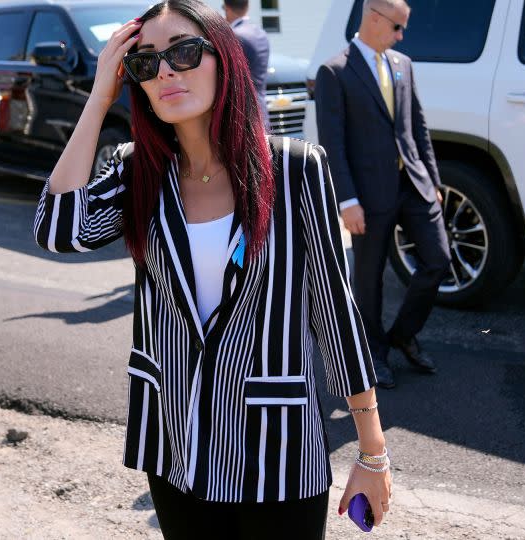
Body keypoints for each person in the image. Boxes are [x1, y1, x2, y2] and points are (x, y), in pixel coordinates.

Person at [32, 1, 391, 538]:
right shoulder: (139, 172)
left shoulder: (294, 169)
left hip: (278, 451)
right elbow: (59, 229)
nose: (167, 70)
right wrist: (100, 95)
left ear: (224, 58)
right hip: (177, 448)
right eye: (146, 63)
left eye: (183, 50)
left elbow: (333, 312)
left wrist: (372, 452)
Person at [315, 0, 450, 388]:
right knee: (369, 279)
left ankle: (403, 334)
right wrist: (347, 200)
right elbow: (332, 143)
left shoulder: (403, 64)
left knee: (438, 260)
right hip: (367, 196)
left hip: (414, 186)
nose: (401, 36)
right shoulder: (334, 71)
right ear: (375, 18)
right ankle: (373, 354)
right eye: (397, 27)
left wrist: (434, 182)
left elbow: (417, 127)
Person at [222, 0, 270, 130]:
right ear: (247, 6)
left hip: (242, 114)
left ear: (227, 8)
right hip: (261, 109)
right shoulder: (261, 33)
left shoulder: (235, 35)